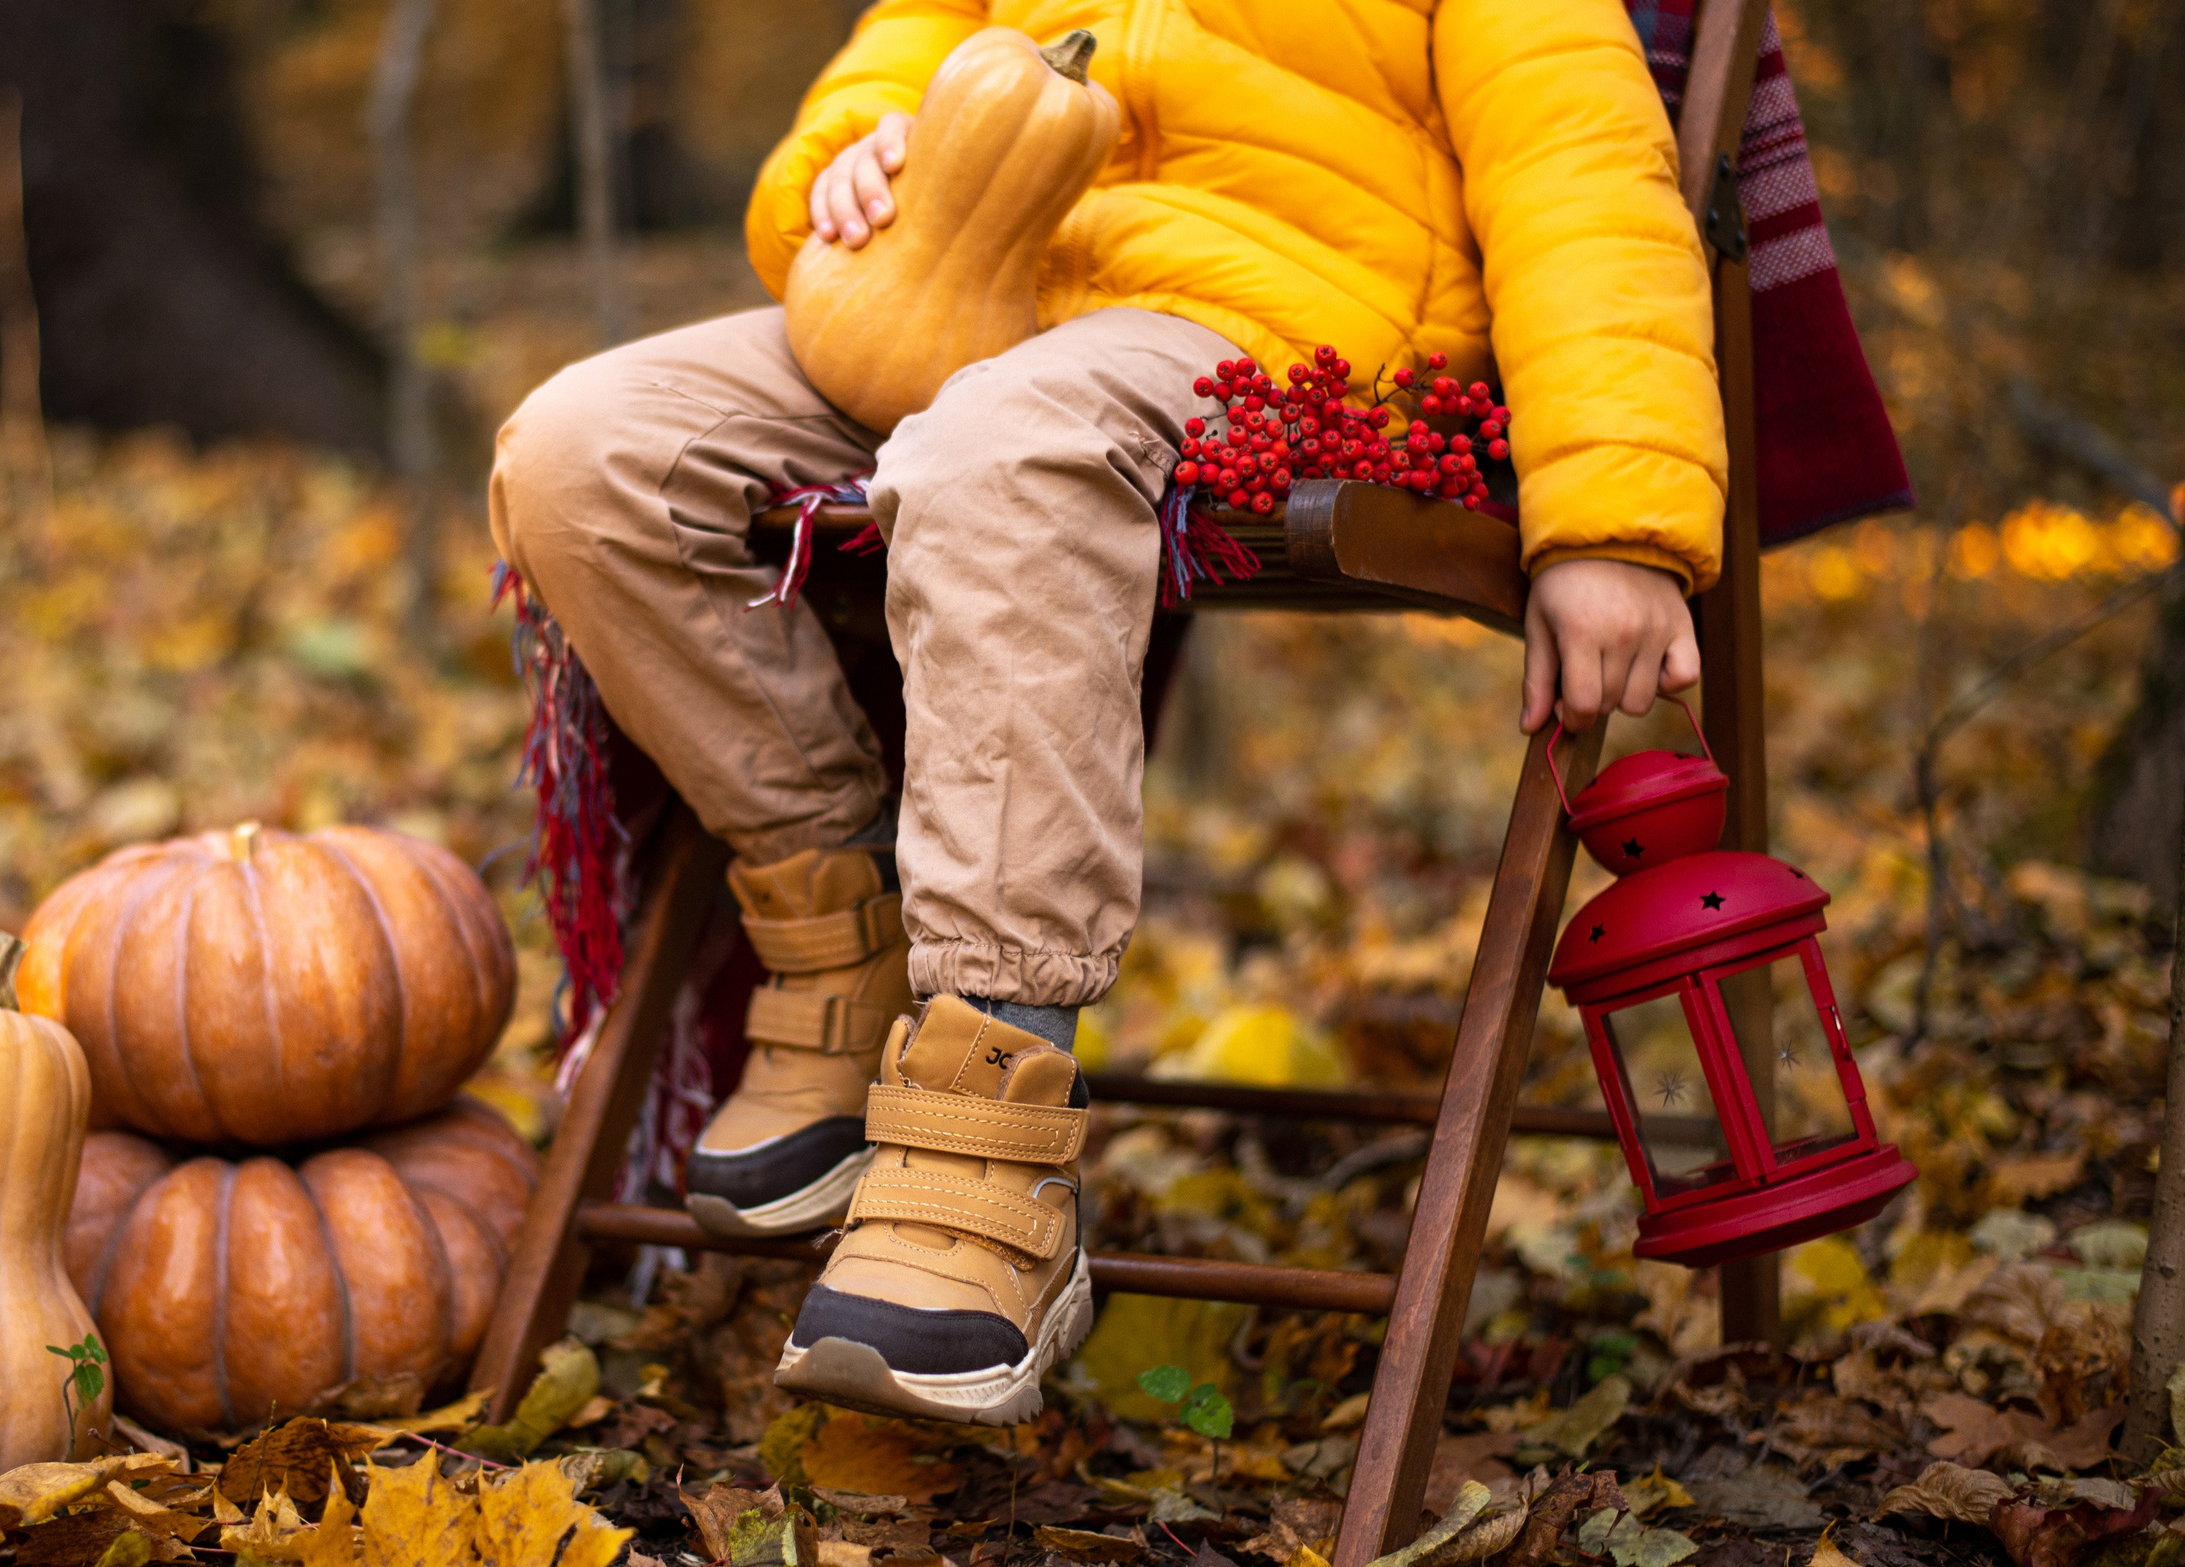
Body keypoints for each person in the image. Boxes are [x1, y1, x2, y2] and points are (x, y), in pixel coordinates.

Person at [488, 0, 1723, 1425]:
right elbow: (910, 46)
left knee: (1006, 453)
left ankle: (989, 1142)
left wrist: (1614, 524)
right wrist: (852, 154)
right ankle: (834, 916)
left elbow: (1584, 185)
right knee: (588, 454)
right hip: (981, 300)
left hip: (1278, 329)